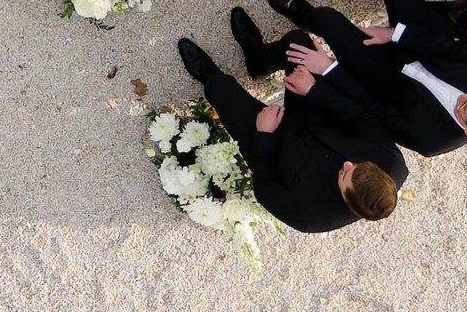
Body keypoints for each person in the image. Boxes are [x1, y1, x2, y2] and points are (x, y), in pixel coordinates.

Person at [230, 0, 467, 159]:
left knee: (328, 21)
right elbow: (450, 48)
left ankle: (291, 22)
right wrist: (394, 34)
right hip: (420, 44)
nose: (465, 97)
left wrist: (328, 67)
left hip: (379, 74)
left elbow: (372, 109)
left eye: (463, 107)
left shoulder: (430, 141)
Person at [174, 35, 405, 233]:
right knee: (299, 44)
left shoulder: (310, 218)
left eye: (345, 174)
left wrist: (264, 135)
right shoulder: (392, 162)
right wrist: (314, 90)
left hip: (273, 145)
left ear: (347, 198)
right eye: (357, 164)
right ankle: (258, 59)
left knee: (222, 91)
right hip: (314, 113)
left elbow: (265, 187)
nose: (347, 163)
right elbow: (360, 118)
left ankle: (209, 76)